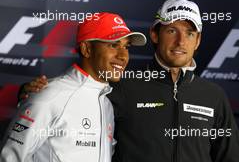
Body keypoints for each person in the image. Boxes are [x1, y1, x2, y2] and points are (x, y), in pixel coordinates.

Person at [16, 0, 239, 162]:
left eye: (189, 33)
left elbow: (232, 157)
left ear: (198, 41)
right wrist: (31, 95)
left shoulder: (213, 96)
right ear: (155, 35)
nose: (180, 42)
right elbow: (76, 93)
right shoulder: (120, 86)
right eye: (171, 31)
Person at [0, 12, 146, 162]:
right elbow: (10, 158)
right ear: (86, 49)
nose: (123, 56)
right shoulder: (49, 95)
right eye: (114, 45)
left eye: (126, 47)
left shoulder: (106, 103)